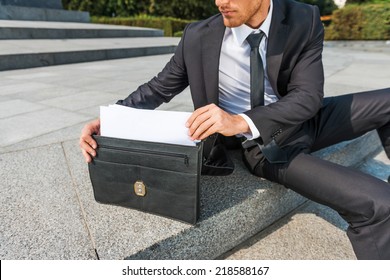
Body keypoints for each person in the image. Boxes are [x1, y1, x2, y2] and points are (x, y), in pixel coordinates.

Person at [80, 0, 390, 259]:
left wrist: (239, 119)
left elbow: (308, 97)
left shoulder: (304, 18)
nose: (219, 2)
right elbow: (158, 88)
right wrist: (112, 119)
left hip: (305, 117)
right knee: (380, 204)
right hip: (266, 147)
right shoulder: (198, 36)